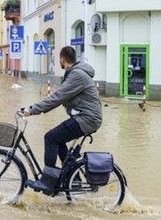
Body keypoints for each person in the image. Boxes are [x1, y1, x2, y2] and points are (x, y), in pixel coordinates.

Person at [23, 46, 102, 194]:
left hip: (87, 119)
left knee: (51, 137)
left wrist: (31, 110)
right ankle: (75, 180)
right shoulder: (76, 72)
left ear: (62, 59)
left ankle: (47, 182)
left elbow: (57, 97)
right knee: (58, 140)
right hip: (86, 117)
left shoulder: (77, 75)